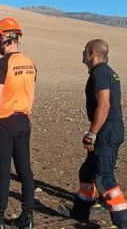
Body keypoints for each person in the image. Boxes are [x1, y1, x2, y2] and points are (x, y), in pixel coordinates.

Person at [0, 17, 37, 229]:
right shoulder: (30, 63)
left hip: (3, 123)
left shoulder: (2, 64)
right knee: (25, 171)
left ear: (4, 38)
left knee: (2, 173)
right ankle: (27, 216)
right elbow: (31, 94)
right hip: (23, 121)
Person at [58, 39, 126, 228]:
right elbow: (119, 102)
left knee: (104, 178)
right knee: (87, 172)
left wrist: (92, 133)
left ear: (91, 52)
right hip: (111, 128)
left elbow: (104, 105)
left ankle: (122, 223)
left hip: (105, 131)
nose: (82, 53)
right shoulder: (111, 73)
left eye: (84, 50)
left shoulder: (100, 73)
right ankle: (80, 213)